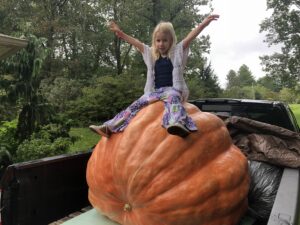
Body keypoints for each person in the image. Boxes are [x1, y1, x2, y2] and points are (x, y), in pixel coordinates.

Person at [89, 14, 219, 138]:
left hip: (172, 90)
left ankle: (177, 124)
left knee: (173, 99)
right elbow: (136, 43)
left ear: (171, 41)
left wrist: (204, 24)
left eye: (165, 41)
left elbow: (191, 36)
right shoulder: (151, 54)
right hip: (155, 92)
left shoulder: (177, 52)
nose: (161, 44)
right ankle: (109, 127)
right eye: (158, 40)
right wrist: (121, 33)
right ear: (154, 41)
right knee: (135, 105)